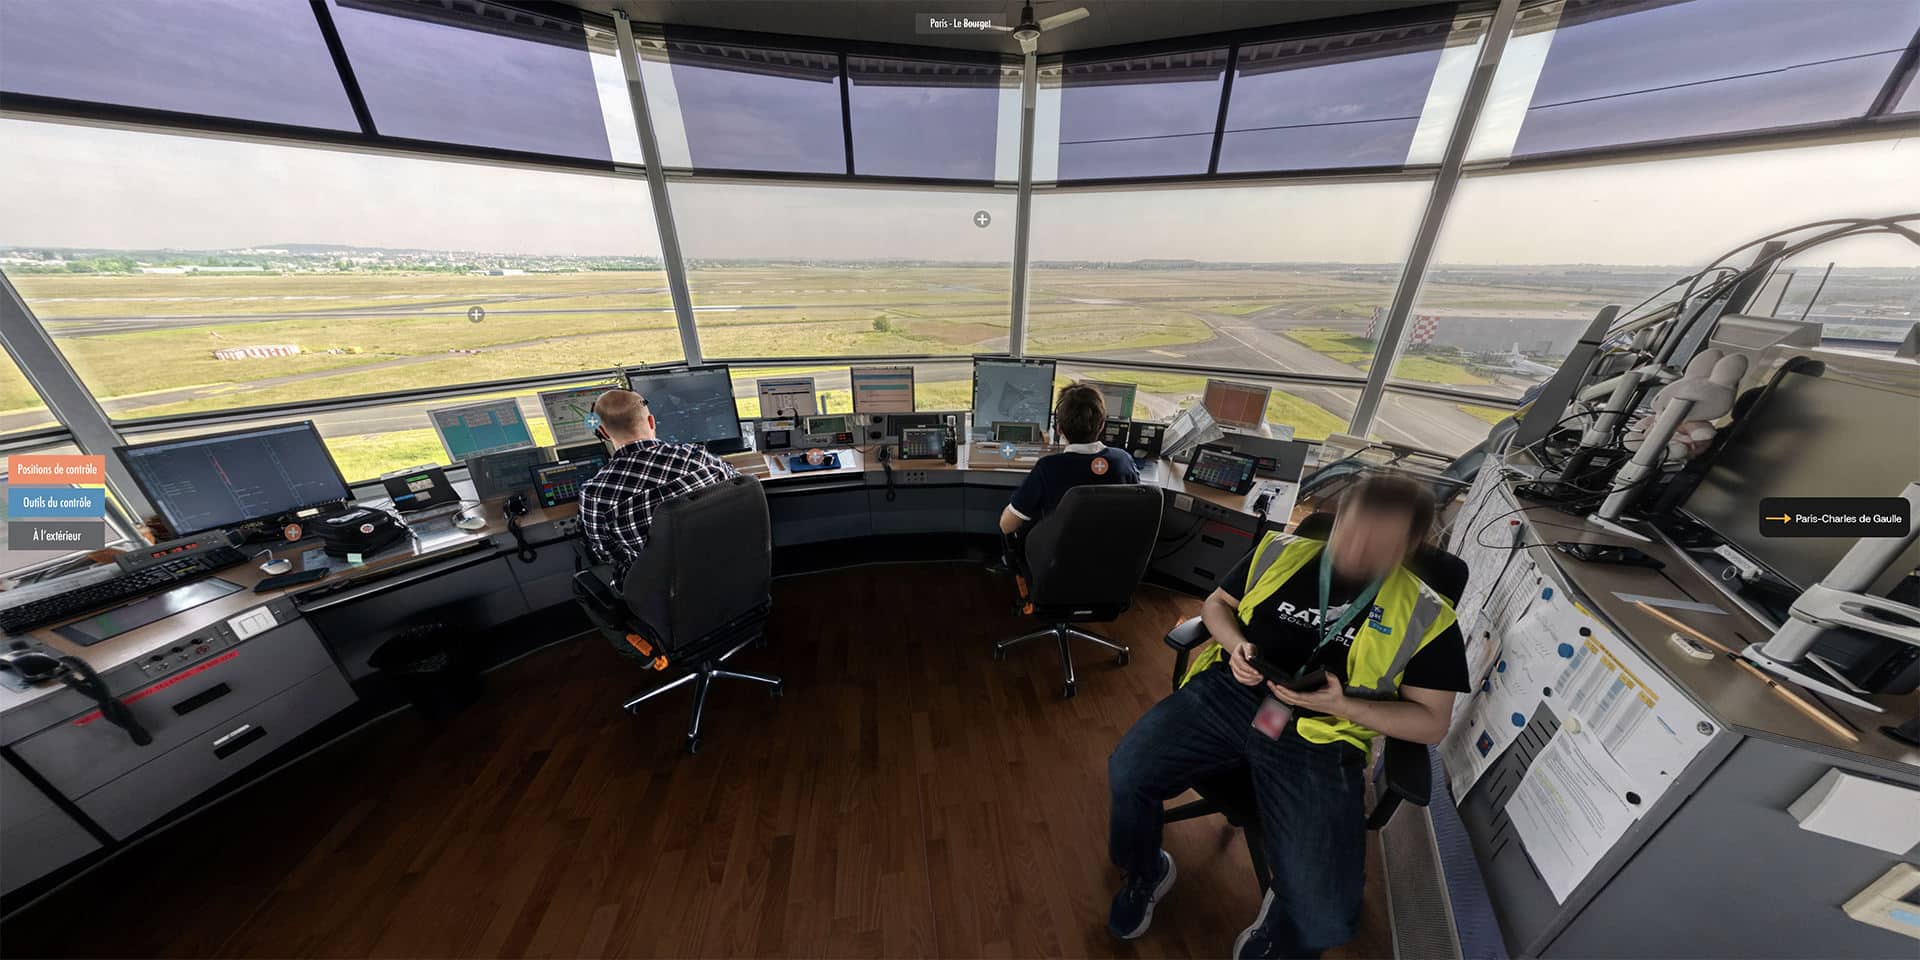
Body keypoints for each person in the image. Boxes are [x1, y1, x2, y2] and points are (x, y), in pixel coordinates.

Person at [1104, 474, 1469, 959]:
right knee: (1129, 772)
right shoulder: (1281, 551)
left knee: (1328, 915)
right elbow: (1216, 605)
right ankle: (1147, 871)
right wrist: (1235, 646)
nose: (1357, 547)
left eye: (1378, 540)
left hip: (1321, 733)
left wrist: (1343, 705)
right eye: (1352, 528)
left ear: (1408, 546)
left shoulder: (1428, 614)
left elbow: (1431, 722)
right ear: (1338, 518)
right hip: (1230, 695)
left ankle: (1284, 915)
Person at [577, 388, 739, 576]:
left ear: (603, 432)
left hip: (665, 592)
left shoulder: (594, 493)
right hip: (729, 570)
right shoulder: (699, 457)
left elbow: (607, 555)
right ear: (651, 421)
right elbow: (739, 486)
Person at [998, 382, 1140, 537]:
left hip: (1059, 557)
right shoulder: (1124, 461)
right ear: (1101, 425)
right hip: (1112, 554)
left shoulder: (1048, 468)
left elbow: (1007, 525)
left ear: (1058, 428)